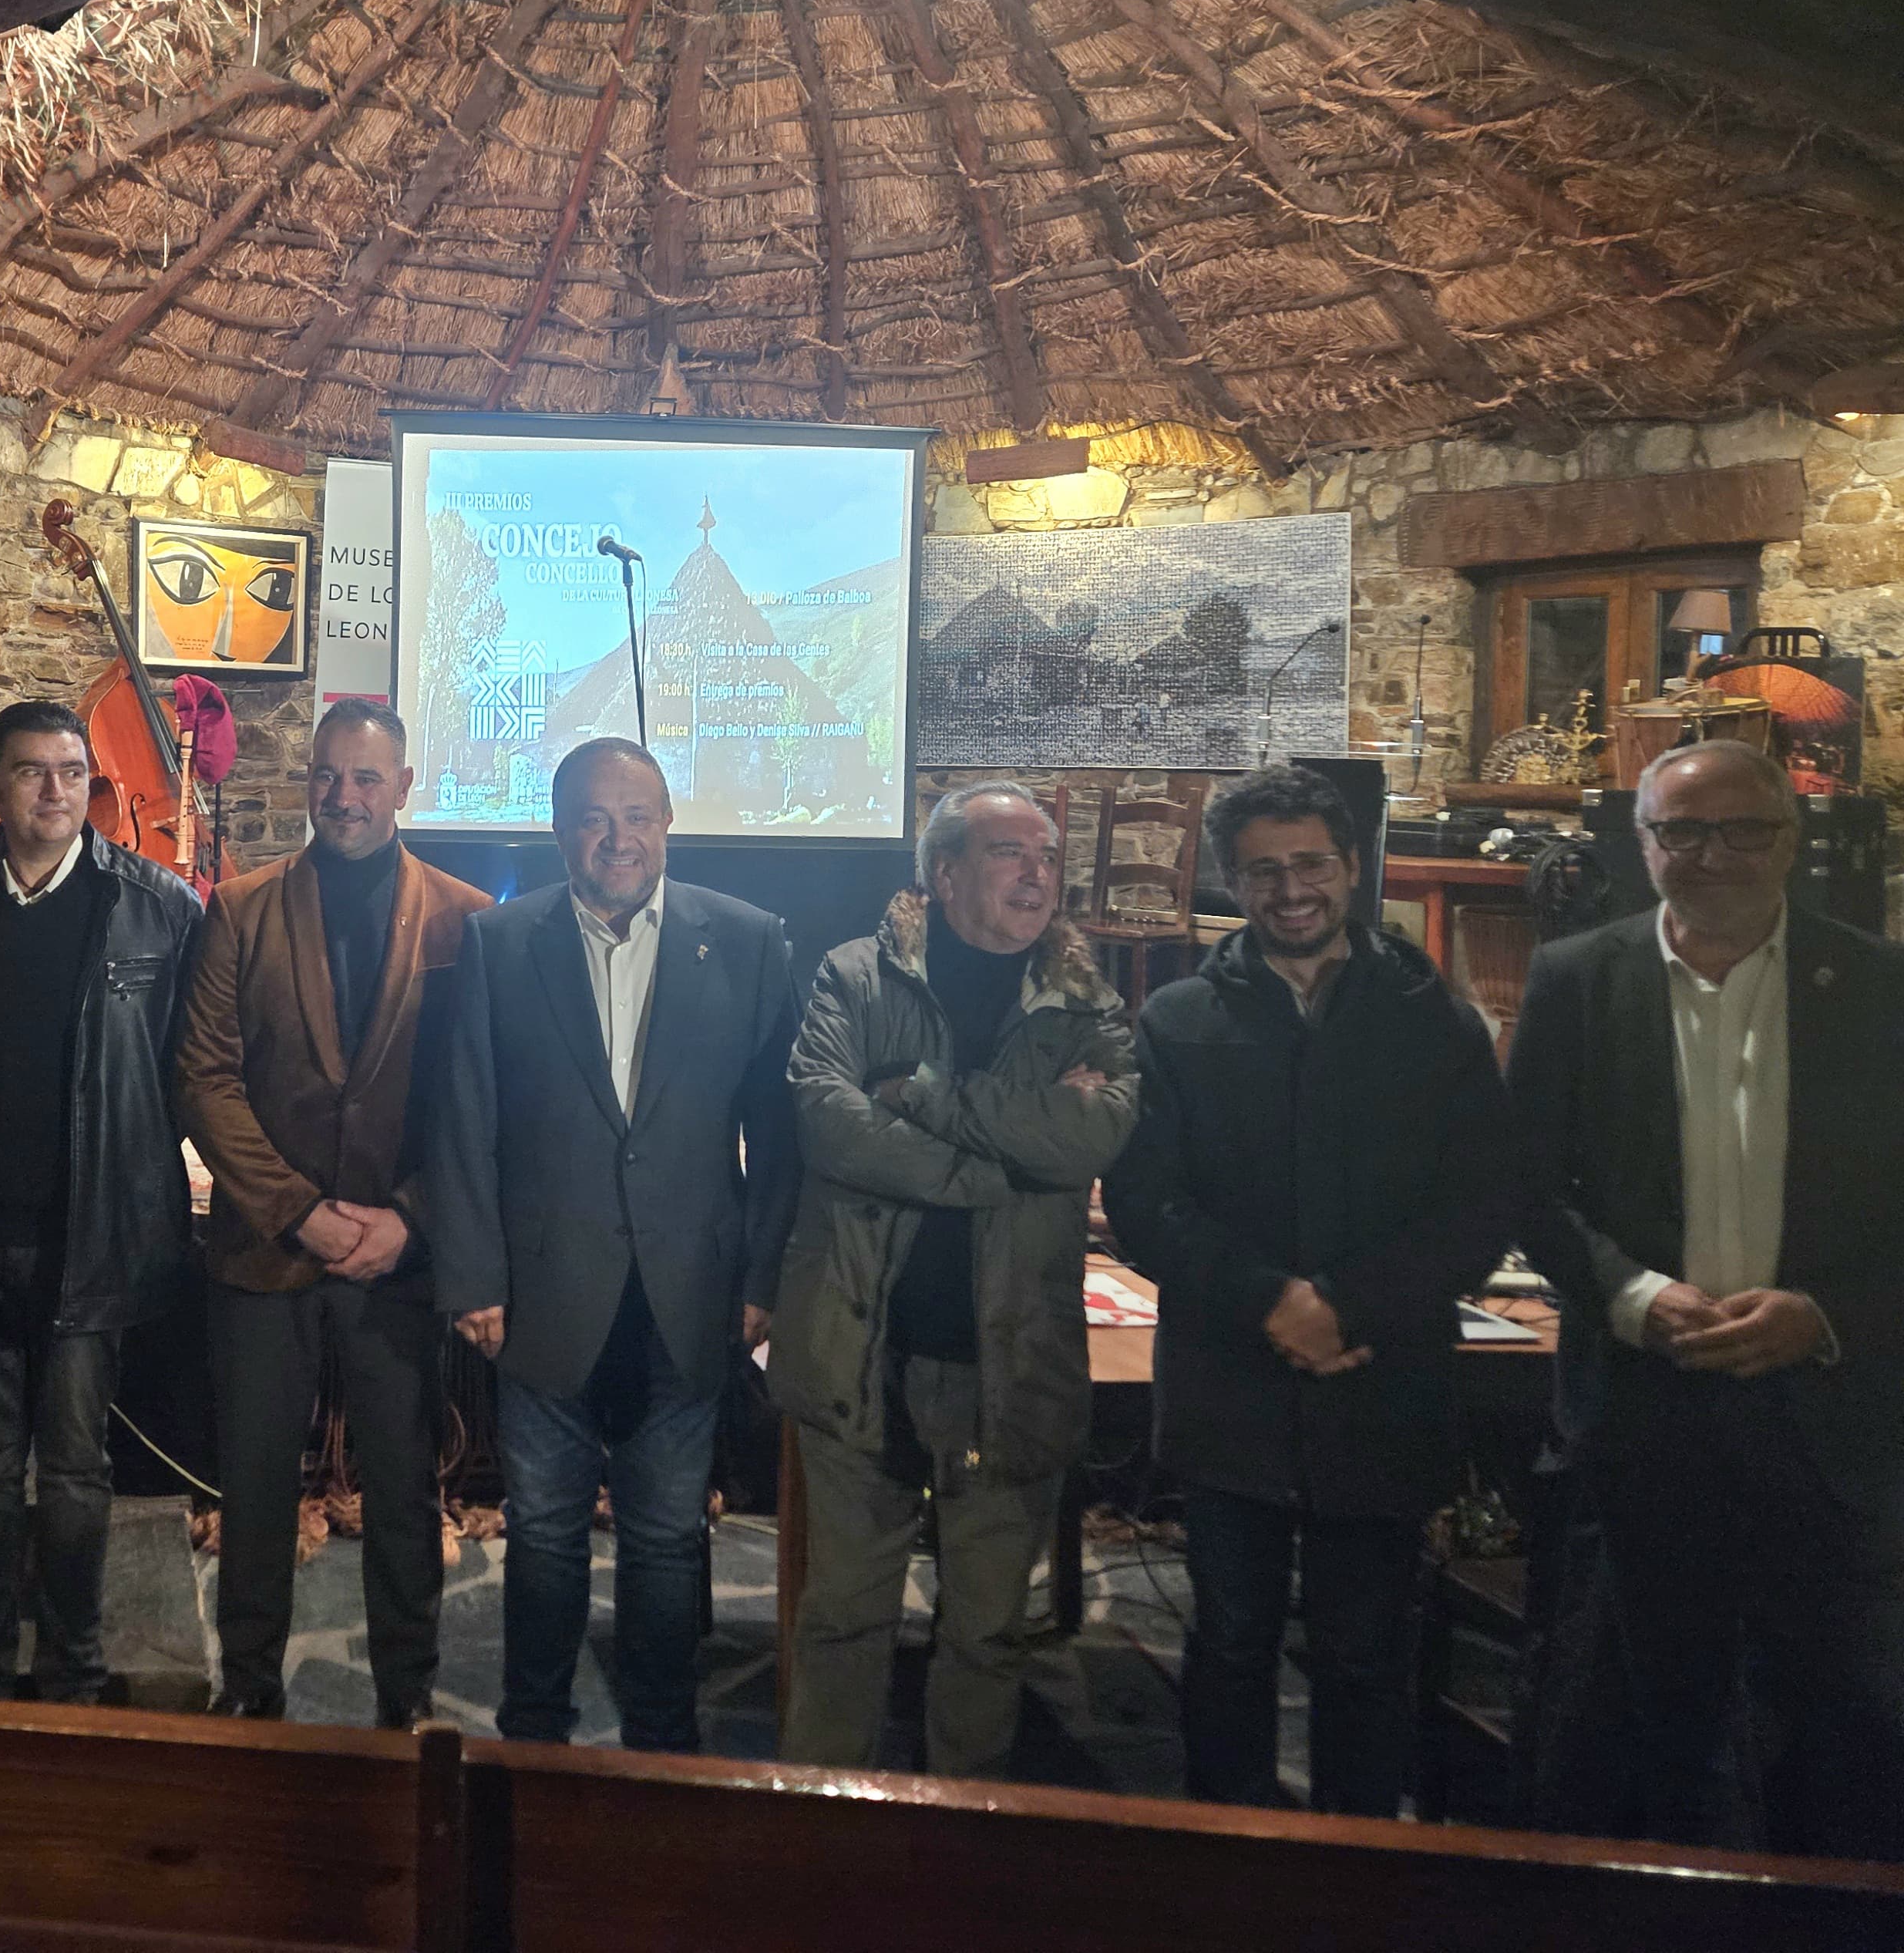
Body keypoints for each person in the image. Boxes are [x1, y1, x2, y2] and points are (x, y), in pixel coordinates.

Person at [1509, 739, 1904, 1860]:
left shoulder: (1882, 988)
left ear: (1792, 841)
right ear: (1644, 845)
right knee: (1647, 1722)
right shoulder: (1578, 979)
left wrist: (1825, 1314)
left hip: (1827, 1419)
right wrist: (1629, 1294)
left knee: (1850, 1720)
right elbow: (1526, 1186)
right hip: (1649, 1410)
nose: (1713, 854)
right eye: (1683, 832)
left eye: (1744, 830)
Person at [1105, 766, 1514, 1814]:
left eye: (1312, 865)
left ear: (1352, 867)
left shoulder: (1437, 1021)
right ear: (1233, 883)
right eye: (1264, 871)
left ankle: (1357, 1876)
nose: (1291, 889)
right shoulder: (1178, 1018)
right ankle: (1230, 1872)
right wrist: (1271, 1302)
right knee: (1230, 1642)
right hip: (1229, 1388)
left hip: (1382, 1386)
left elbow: (1476, 1208)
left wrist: (1346, 1306)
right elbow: (1147, 1202)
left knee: (1368, 1656)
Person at [427, 738, 798, 1753]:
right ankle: (535, 1735)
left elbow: (779, 1132)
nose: (617, 837)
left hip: (690, 1294)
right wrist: (472, 1278)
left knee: (671, 1539)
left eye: (638, 816)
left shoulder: (752, 941)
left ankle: (663, 1744)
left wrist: (763, 1275)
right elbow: (465, 1119)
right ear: (559, 833)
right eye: (594, 818)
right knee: (543, 1537)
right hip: (540, 1297)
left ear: (670, 824)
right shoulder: (502, 943)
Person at [770, 780, 1135, 1780]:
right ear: (943, 874)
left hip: (1009, 1367)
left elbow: (1091, 1136)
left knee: (988, 1631)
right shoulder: (854, 978)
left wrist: (927, 1095)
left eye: (1050, 859)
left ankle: (957, 1853)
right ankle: (815, 1826)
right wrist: (995, 1172)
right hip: (861, 1351)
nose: (1038, 874)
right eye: (1012, 853)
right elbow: (827, 1122)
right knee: (843, 1615)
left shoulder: (1085, 1008)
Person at [173, 699, 489, 1726]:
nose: (343, 798)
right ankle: (250, 1691)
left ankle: (406, 1699)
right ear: (306, 780)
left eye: (366, 779)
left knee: (404, 1493)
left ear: (405, 786)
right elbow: (204, 1078)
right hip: (270, 1248)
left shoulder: (466, 917)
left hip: (398, 1256)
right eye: (328, 777)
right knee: (257, 1494)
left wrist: (412, 1219)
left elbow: (479, 1100)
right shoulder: (242, 907)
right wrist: (299, 1211)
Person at [0, 700, 204, 1705]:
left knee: (74, 1475)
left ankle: (72, 1662)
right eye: (31, 772)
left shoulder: (160, 907)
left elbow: (179, 1076)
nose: (55, 791)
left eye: (73, 772)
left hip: (89, 1238)